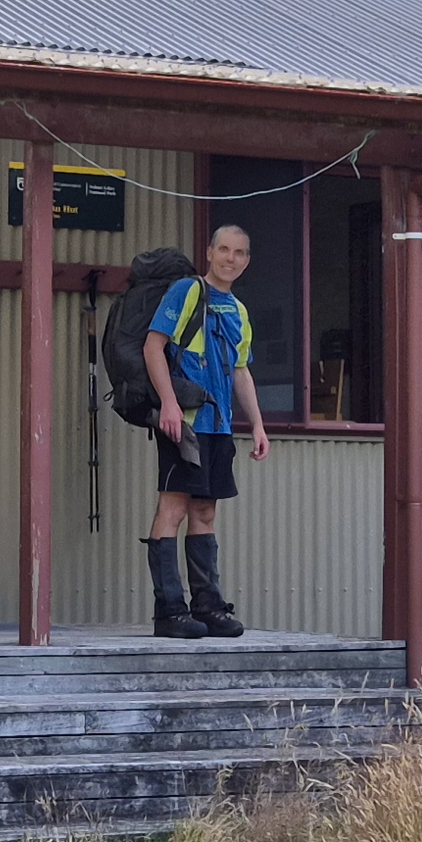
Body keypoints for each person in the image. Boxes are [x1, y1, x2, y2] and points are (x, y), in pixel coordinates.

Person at [144, 223, 269, 638]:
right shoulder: (187, 290)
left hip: (218, 426)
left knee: (204, 511)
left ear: (247, 261)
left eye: (239, 253)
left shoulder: (240, 310)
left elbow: (240, 369)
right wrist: (168, 403)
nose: (230, 259)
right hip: (184, 422)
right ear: (210, 252)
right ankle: (170, 612)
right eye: (224, 250)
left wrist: (257, 424)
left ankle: (208, 606)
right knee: (174, 508)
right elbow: (153, 346)